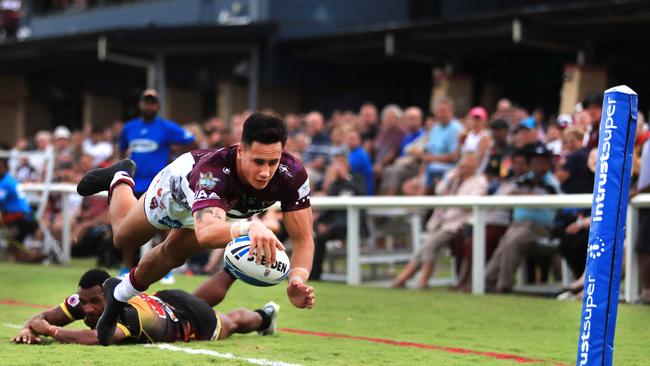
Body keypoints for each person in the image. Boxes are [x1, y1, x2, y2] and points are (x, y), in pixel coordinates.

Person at [77, 112, 315, 345]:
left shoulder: (292, 174)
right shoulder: (213, 173)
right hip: (178, 194)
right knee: (122, 238)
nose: (265, 172)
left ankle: (119, 294)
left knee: (172, 255)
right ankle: (121, 176)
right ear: (241, 151)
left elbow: (304, 238)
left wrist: (296, 279)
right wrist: (249, 227)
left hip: (220, 212)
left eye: (273, 162)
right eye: (258, 162)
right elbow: (207, 232)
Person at [10, 269, 279, 345]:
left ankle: (264, 316)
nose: (88, 309)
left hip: (188, 320)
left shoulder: (125, 314)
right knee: (199, 299)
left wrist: (52, 331)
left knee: (230, 323)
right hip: (165, 300)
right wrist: (28, 329)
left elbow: (99, 337)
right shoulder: (86, 300)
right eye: (83, 301)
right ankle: (231, 270)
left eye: (95, 302)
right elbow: (45, 316)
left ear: (110, 295)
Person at [118, 89, 196, 280]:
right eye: (146, 102)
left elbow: (192, 142)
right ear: (140, 104)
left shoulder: (166, 127)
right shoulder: (129, 128)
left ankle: (164, 269)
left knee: (165, 224)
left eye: (152, 102)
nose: (149, 106)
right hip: (135, 183)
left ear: (158, 106)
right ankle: (127, 268)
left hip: (159, 184)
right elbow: (121, 151)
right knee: (129, 224)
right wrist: (122, 170)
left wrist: (177, 159)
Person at [392, 153, 487, 289]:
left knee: (430, 245)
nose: (464, 165)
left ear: (476, 166)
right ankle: (406, 279)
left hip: (459, 223)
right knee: (423, 249)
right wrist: (450, 180)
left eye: (469, 163)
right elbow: (439, 190)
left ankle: (419, 280)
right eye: (463, 162)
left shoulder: (480, 181)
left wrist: (450, 197)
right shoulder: (453, 176)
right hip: (440, 221)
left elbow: (471, 203)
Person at [485, 145, 562, 293]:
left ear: (548, 164)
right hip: (517, 225)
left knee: (511, 244)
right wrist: (526, 195)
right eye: (535, 162)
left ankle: (504, 285)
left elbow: (542, 200)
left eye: (542, 162)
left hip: (539, 227)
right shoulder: (524, 179)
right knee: (503, 245)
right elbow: (509, 194)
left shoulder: (552, 182)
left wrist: (522, 195)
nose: (538, 166)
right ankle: (486, 282)